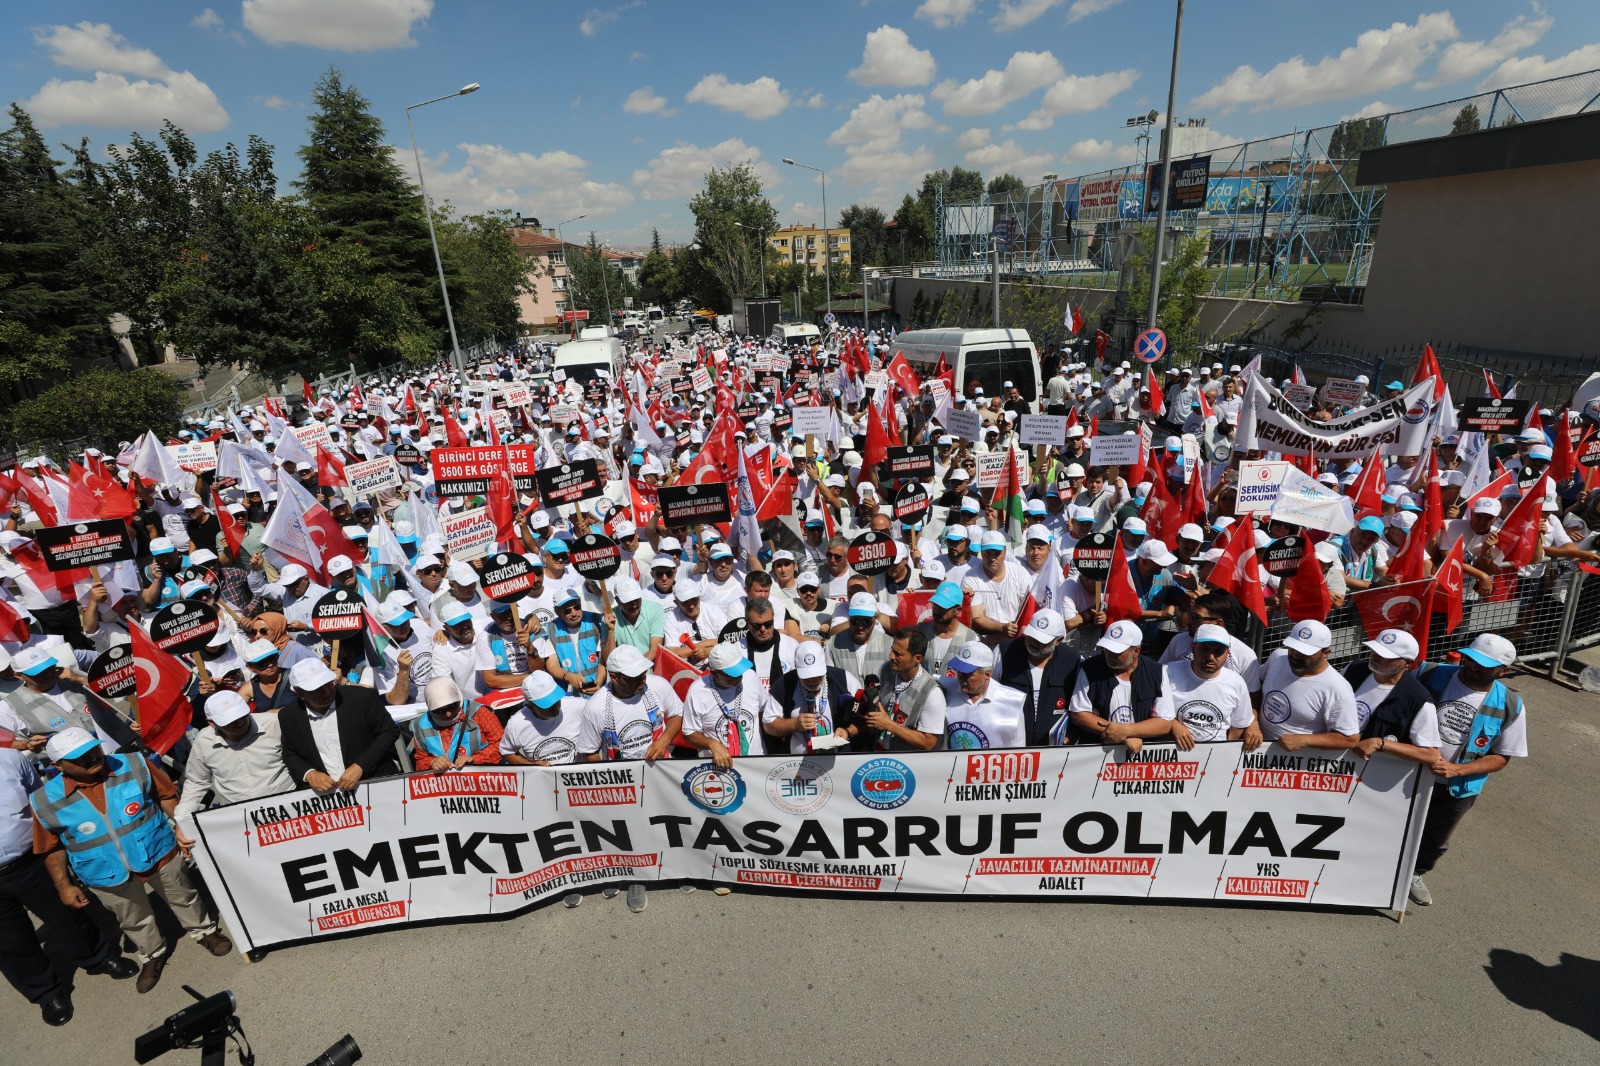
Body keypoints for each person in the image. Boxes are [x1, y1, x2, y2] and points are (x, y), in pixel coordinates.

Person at [30, 728, 231, 994]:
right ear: (57, 765)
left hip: (158, 850)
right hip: (103, 871)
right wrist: (64, 885)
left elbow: (167, 795)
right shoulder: (43, 800)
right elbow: (50, 846)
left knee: (183, 895)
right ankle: (152, 954)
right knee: (132, 918)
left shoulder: (134, 763)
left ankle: (204, 931)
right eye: (80, 757)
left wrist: (183, 827)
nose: (92, 758)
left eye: (93, 750)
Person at [0, 744, 137, 1025]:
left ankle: (98, 958)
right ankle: (46, 992)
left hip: (30, 858)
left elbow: (39, 799)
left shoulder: (9, 759)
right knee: (9, 941)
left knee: (67, 914)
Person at [1407, 634, 1529, 907]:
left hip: (1458, 787)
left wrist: (1457, 770)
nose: (1473, 667)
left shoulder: (1511, 705)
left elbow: (1501, 757)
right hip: (1408, 772)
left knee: (1436, 837)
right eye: (1471, 659)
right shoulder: (1430, 674)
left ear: (1504, 671)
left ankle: (1415, 874)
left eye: (1484, 665)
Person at [277, 659, 402, 794]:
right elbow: (290, 753)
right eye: (315, 690)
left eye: (327, 684)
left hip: (376, 784)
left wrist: (360, 766)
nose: (325, 692)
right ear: (300, 694)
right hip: (329, 797)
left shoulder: (361, 697)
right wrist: (309, 774)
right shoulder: (289, 716)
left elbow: (388, 731)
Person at [173, 691, 294, 822]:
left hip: (290, 808)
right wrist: (183, 819)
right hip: (242, 819)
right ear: (212, 723)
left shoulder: (274, 724)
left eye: (242, 716)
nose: (240, 723)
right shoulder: (204, 742)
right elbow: (197, 781)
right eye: (230, 721)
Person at [1061, 620, 1172, 748]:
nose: (1109, 655)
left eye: (1116, 652)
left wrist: (1127, 732)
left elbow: (1165, 722)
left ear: (1136, 651)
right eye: (1106, 649)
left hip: (1140, 757)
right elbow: (1079, 714)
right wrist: (1122, 736)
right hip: (1096, 753)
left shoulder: (1157, 672)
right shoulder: (1089, 669)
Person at [1341, 628, 1441, 769]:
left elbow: (1431, 755)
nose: (1375, 657)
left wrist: (1381, 743)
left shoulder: (1419, 701)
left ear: (1408, 663)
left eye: (1385, 656)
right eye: (1374, 650)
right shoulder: (1352, 669)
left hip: (1370, 774)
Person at [1254, 620, 1360, 751]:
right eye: (1293, 648)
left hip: (1295, 763)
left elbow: (1350, 739)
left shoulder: (1337, 688)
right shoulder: (1278, 658)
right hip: (1255, 754)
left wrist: (1304, 740)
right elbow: (1255, 689)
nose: (1296, 655)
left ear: (1326, 653)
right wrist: (1252, 723)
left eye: (1305, 653)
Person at [1156, 624, 1259, 750]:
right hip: (1172, 755)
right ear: (1193, 648)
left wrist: (1223, 750)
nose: (1210, 657)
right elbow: (1153, 711)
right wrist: (1173, 724)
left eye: (1218, 652)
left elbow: (1239, 724)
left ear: (1228, 653)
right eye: (1205, 649)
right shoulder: (1168, 673)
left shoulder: (1237, 682)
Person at [577, 646, 682, 762]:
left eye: (643, 673)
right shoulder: (595, 708)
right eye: (634, 677)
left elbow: (677, 714)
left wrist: (664, 740)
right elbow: (590, 751)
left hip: (661, 767)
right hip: (622, 776)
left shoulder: (659, 685)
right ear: (614, 677)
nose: (642, 680)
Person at [681, 644, 780, 764]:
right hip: (720, 767)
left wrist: (773, 751)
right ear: (714, 673)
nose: (739, 677)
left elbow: (764, 713)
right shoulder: (697, 691)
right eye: (732, 675)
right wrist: (712, 744)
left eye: (740, 671)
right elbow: (689, 733)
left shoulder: (750, 677)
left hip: (756, 764)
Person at [996, 609, 1082, 746]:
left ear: (1058, 640)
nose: (1034, 642)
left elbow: (1080, 707)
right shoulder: (1004, 652)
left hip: (1053, 753)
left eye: (1042, 640)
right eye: (1032, 636)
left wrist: (1073, 734)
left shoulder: (1073, 662)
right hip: (1009, 747)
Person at [768, 642, 862, 753]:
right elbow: (768, 725)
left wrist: (848, 731)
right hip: (798, 764)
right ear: (796, 667)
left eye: (817, 674)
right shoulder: (783, 684)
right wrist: (794, 724)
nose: (812, 680)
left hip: (839, 763)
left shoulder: (844, 679)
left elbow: (866, 718)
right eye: (806, 676)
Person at [860, 629, 945, 752]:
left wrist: (888, 725)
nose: (890, 656)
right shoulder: (886, 670)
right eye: (891, 650)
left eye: (897, 653)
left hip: (907, 765)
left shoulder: (932, 693)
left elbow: (929, 743)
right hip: (879, 754)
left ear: (917, 658)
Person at [940, 640, 1027, 749]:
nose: (961, 678)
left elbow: (1018, 750)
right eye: (959, 671)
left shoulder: (1012, 701)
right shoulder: (943, 688)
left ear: (987, 674)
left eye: (967, 674)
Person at [412, 677, 506, 773]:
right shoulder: (421, 725)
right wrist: (432, 762)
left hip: (483, 776)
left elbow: (502, 744)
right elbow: (420, 760)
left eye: (453, 707)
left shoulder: (479, 713)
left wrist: (475, 759)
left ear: (459, 700)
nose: (448, 714)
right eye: (439, 711)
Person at [500, 673, 587, 766]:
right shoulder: (516, 724)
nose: (555, 706)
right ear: (530, 707)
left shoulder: (578, 706)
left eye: (556, 699)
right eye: (547, 704)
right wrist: (529, 764)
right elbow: (507, 751)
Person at [828, 591, 895, 681]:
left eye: (866, 621)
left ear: (875, 619)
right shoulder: (832, 645)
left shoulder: (889, 644)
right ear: (849, 618)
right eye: (855, 620)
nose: (860, 626)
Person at [916, 580, 977, 676]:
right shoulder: (920, 631)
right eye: (935, 605)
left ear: (958, 610)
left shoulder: (970, 638)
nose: (936, 610)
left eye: (943, 607)